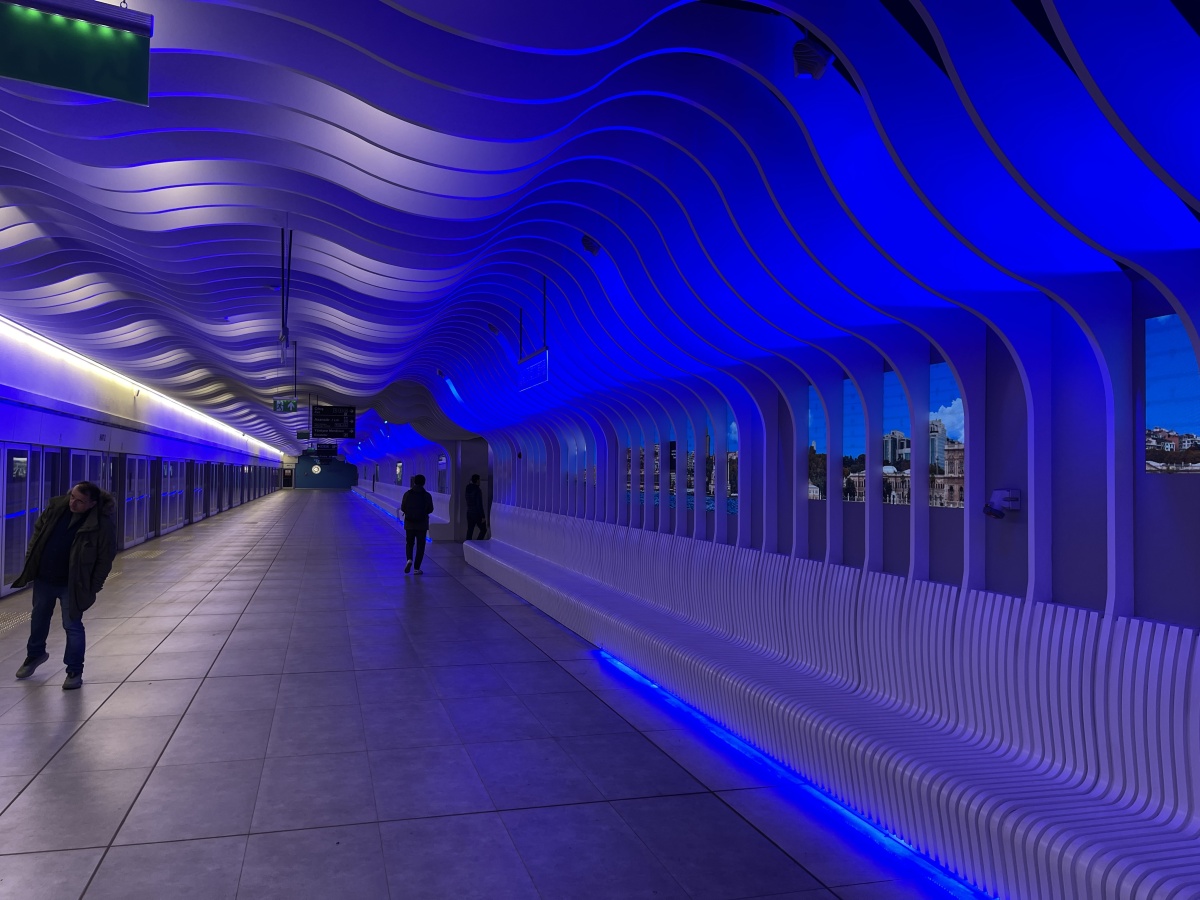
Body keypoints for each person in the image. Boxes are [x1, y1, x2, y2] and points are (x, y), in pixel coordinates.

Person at [12, 481, 117, 690]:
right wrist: (31, 560)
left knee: (72, 625)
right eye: (72, 497)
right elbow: (37, 536)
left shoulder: (101, 525)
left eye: (80, 501)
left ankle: (74, 670)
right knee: (39, 618)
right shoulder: (55, 510)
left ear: (92, 504)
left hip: (73, 584)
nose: (73, 503)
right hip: (45, 577)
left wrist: (93, 586)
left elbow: (105, 559)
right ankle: (35, 654)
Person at [400, 473, 434, 573]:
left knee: (409, 543)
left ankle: (409, 559)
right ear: (424, 483)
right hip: (422, 524)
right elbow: (431, 509)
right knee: (420, 546)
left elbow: (403, 507)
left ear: (414, 482)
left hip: (409, 523)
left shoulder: (407, 494)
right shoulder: (427, 495)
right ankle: (416, 568)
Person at [465, 473, 487, 540]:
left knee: (470, 529)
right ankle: (478, 543)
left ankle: (468, 543)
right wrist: (483, 516)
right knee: (483, 530)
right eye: (479, 480)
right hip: (476, 513)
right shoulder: (477, 490)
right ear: (477, 480)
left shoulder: (467, 488)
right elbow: (479, 504)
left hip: (469, 512)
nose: (480, 481)